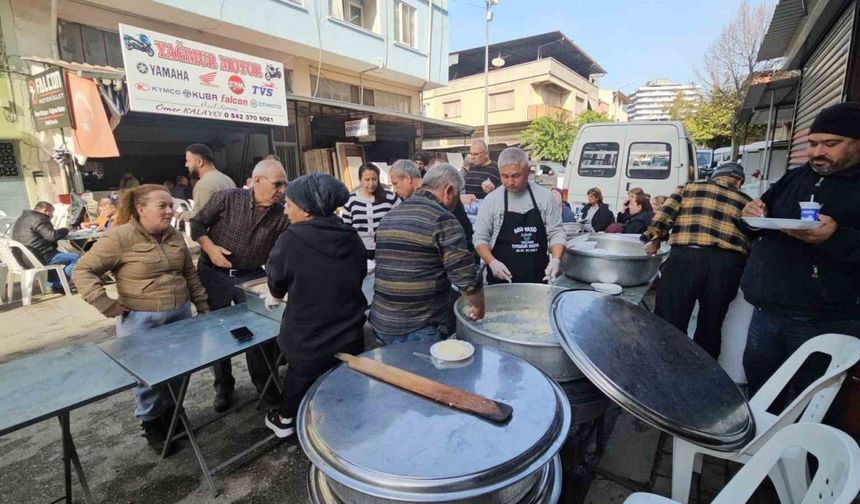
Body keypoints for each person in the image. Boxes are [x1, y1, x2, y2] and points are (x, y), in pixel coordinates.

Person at [72, 184, 209, 451]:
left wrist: (201, 304)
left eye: (171, 205)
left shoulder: (174, 236)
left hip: (180, 314)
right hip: (142, 320)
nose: (170, 211)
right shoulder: (120, 237)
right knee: (149, 376)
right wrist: (104, 303)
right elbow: (83, 271)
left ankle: (172, 413)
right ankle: (152, 423)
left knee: (179, 368)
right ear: (140, 208)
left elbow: (189, 273)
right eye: (163, 206)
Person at [741, 102, 860, 397]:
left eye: (831, 144)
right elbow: (761, 213)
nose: (817, 152)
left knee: (814, 399)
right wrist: (752, 215)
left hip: (825, 318)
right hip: (766, 310)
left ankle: (802, 445)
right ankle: (764, 443)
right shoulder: (798, 175)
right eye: (813, 143)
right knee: (762, 391)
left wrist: (835, 236)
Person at [263, 174, 366, 438]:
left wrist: (274, 295)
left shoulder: (291, 239)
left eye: (289, 204)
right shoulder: (350, 235)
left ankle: (286, 419)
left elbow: (276, 281)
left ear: (306, 209)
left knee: (301, 377)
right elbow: (359, 272)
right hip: (350, 332)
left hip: (308, 338)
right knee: (342, 381)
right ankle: (340, 417)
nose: (285, 211)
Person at [190, 159, 289, 412]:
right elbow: (197, 223)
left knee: (259, 330)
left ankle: (265, 385)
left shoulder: (281, 213)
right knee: (218, 331)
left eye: (283, 185)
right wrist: (210, 248)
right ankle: (223, 386)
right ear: (257, 181)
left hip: (252, 277)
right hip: (214, 274)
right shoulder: (227, 198)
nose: (281, 190)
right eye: (277, 184)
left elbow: (283, 247)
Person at [641, 163, 752, 359]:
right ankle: (703, 374)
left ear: (715, 177)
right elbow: (754, 235)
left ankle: (666, 365)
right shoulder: (746, 201)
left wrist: (653, 238)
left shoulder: (689, 188)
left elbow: (663, 218)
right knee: (712, 323)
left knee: (671, 318)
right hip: (728, 265)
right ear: (739, 182)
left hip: (686, 258)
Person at [370, 163, 485, 344]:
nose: (455, 204)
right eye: (456, 197)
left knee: (393, 371)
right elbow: (465, 277)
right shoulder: (443, 219)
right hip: (419, 327)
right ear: (448, 191)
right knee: (420, 373)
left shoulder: (390, 216)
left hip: (382, 322)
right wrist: (479, 306)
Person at [474, 147, 566, 284]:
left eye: (516, 176)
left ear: (528, 171)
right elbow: (480, 238)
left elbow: (556, 232)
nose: (510, 182)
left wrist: (556, 259)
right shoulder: (492, 201)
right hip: (501, 280)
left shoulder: (545, 197)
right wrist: (492, 262)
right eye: (504, 176)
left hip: (537, 279)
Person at [390, 159, 475, 255]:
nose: (394, 190)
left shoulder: (443, 198)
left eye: (395, 183)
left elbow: (464, 231)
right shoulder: (405, 203)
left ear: (407, 179)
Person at [11, 201, 77, 292]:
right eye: (52, 213)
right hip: (39, 256)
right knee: (79, 258)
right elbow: (52, 236)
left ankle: (54, 284)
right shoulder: (40, 218)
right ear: (46, 210)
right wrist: (66, 229)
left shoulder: (22, 218)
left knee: (54, 255)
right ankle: (59, 283)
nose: (52, 216)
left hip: (23, 258)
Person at [341, 163, 399, 260]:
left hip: (386, 249)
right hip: (360, 249)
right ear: (360, 180)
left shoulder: (390, 197)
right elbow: (346, 227)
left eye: (374, 179)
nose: (371, 183)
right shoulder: (351, 200)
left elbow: (401, 218)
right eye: (367, 180)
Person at [182, 143, 236, 220]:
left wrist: (176, 215)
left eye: (188, 161)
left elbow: (198, 217)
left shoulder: (204, 184)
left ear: (199, 162)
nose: (186, 164)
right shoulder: (227, 179)